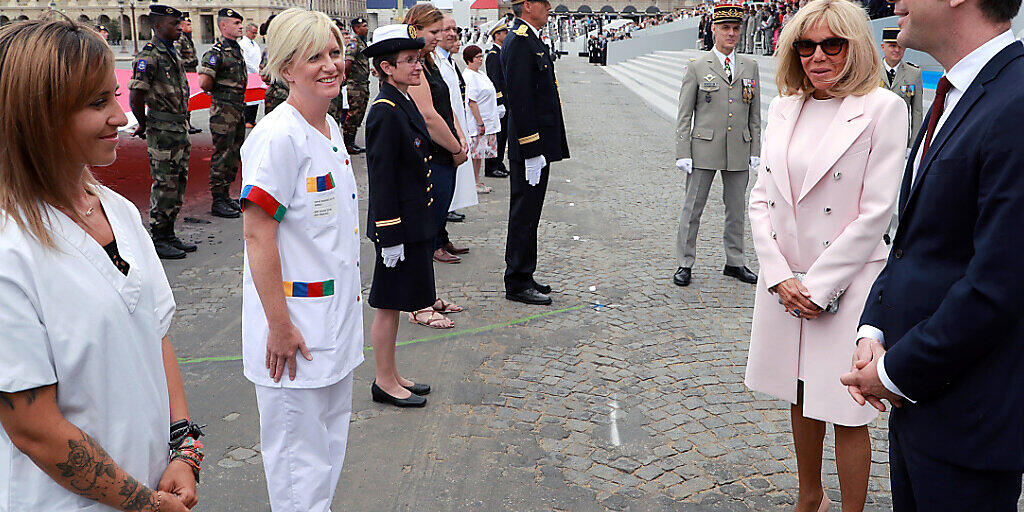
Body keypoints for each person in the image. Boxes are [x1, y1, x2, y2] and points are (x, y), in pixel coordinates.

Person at [0, 17, 200, 512]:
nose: (122, 117)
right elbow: (33, 427)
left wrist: (184, 449)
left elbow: (156, 332)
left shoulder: (119, 211)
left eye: (115, 95)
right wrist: (145, 504)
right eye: (97, 103)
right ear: (37, 116)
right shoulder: (10, 246)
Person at [841, 0, 1024, 508]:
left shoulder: (1016, 101)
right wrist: (873, 330)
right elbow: (913, 242)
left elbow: (999, 284)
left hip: (971, 426)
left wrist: (893, 372)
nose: (895, 3)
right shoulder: (956, 93)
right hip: (921, 413)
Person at [745, 1, 908, 510]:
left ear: (854, 47)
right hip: (785, 281)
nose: (817, 56)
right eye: (806, 45)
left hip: (847, 281)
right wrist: (777, 275)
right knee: (800, 392)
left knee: (847, 405)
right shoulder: (784, 105)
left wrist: (816, 287)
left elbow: (875, 213)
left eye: (831, 45)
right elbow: (760, 194)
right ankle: (808, 497)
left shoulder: (883, 107)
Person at [240, 8, 363, 512]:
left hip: (333, 326)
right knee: (298, 467)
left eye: (334, 53)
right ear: (287, 68)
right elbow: (257, 235)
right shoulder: (278, 137)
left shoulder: (329, 128)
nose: (330, 65)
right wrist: (278, 325)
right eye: (314, 57)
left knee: (328, 452)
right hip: (293, 333)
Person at [363, 24, 435, 408]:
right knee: (387, 305)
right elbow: (382, 177)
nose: (417, 66)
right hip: (397, 226)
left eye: (418, 59)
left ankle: (392, 374)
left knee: (394, 303)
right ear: (386, 68)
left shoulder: (401, 100)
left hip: (411, 222)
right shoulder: (384, 111)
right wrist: (389, 234)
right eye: (409, 61)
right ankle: (383, 381)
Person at [673, 3, 760, 288]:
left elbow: (754, 114)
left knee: (736, 209)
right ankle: (684, 262)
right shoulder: (698, 66)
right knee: (692, 208)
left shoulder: (750, 66)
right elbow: (685, 114)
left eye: (735, 28)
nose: (731, 34)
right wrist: (683, 152)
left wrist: (755, 149)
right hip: (704, 149)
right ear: (713, 30)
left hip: (738, 147)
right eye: (725, 28)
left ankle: (734, 262)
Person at [502, 0, 569, 306]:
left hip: (538, 144)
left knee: (531, 214)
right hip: (529, 146)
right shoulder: (519, 41)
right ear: (528, 5)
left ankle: (525, 273)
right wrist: (530, 149)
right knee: (524, 214)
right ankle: (516, 281)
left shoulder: (530, 38)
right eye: (545, 3)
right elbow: (520, 99)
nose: (550, 7)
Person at [405, 5, 470, 266]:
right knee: (435, 202)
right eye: (433, 31)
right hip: (433, 151)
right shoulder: (414, 66)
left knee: (443, 201)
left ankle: (440, 238)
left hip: (446, 146)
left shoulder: (429, 62)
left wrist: (460, 137)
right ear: (415, 30)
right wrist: (456, 149)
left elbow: (446, 103)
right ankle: (433, 244)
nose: (438, 36)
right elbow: (428, 116)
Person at [129, 5, 195, 260]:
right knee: (165, 184)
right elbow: (136, 93)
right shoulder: (149, 56)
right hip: (162, 130)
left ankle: (169, 233)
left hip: (179, 127)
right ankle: (159, 237)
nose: (179, 28)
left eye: (179, 24)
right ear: (157, 26)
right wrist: (143, 123)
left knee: (178, 183)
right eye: (173, 24)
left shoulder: (172, 52)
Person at [198, 8, 247, 219]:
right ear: (223, 26)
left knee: (234, 153)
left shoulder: (236, 50)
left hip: (237, 107)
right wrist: (219, 93)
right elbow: (204, 82)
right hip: (223, 109)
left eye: (240, 23)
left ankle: (226, 195)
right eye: (236, 23)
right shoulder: (216, 52)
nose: (241, 26)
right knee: (222, 153)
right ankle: (218, 199)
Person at [436, 16, 478, 246]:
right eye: (446, 29)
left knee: (450, 186)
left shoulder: (447, 61)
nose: (453, 34)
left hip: (456, 129)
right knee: (442, 188)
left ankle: (442, 239)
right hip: (445, 133)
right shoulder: (433, 62)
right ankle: (438, 241)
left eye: (455, 29)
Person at [462, 44, 499, 194]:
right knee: (475, 154)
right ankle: (474, 181)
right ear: (469, 60)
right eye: (477, 57)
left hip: (489, 118)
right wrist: (480, 122)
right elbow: (472, 101)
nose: (480, 60)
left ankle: (476, 180)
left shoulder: (480, 74)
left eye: (481, 57)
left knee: (480, 153)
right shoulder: (469, 76)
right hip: (479, 121)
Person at [880, 27, 923, 149]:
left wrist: (913, 145)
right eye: (892, 46)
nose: (897, 50)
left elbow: (917, 112)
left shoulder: (914, 73)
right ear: (883, 47)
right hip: (875, 136)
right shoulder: (871, 71)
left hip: (900, 139)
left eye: (901, 46)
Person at [484, 22, 510, 178]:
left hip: (506, 100)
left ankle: (499, 163)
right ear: (497, 35)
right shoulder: (493, 55)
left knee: (503, 135)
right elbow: (494, 81)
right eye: (504, 33)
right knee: (497, 136)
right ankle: (491, 167)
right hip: (500, 102)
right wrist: (500, 102)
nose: (506, 35)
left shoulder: (501, 52)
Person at [342, 17, 370, 154]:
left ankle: (351, 142)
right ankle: (347, 143)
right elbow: (348, 62)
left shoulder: (362, 42)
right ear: (356, 29)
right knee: (353, 114)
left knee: (359, 114)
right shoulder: (354, 43)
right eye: (364, 26)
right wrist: (346, 79)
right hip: (355, 85)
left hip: (363, 84)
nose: (367, 28)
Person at [174, 15, 202, 134]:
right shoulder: (180, 39)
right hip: (185, 73)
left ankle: (188, 122)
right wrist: (191, 61)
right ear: (181, 26)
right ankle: (184, 123)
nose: (191, 27)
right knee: (184, 98)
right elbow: (177, 58)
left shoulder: (187, 38)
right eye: (188, 25)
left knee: (189, 98)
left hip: (191, 72)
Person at [259, 14, 288, 115]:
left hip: (279, 95)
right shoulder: (270, 50)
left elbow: (264, 75)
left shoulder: (270, 49)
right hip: (278, 97)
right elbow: (264, 75)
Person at [240, 22, 262, 128]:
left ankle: (253, 118)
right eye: (253, 32)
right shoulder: (243, 44)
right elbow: (246, 60)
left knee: (256, 96)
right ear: (247, 31)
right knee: (249, 97)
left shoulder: (254, 43)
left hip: (256, 73)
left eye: (256, 33)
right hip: (249, 73)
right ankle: (247, 119)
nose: (254, 35)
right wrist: (255, 70)